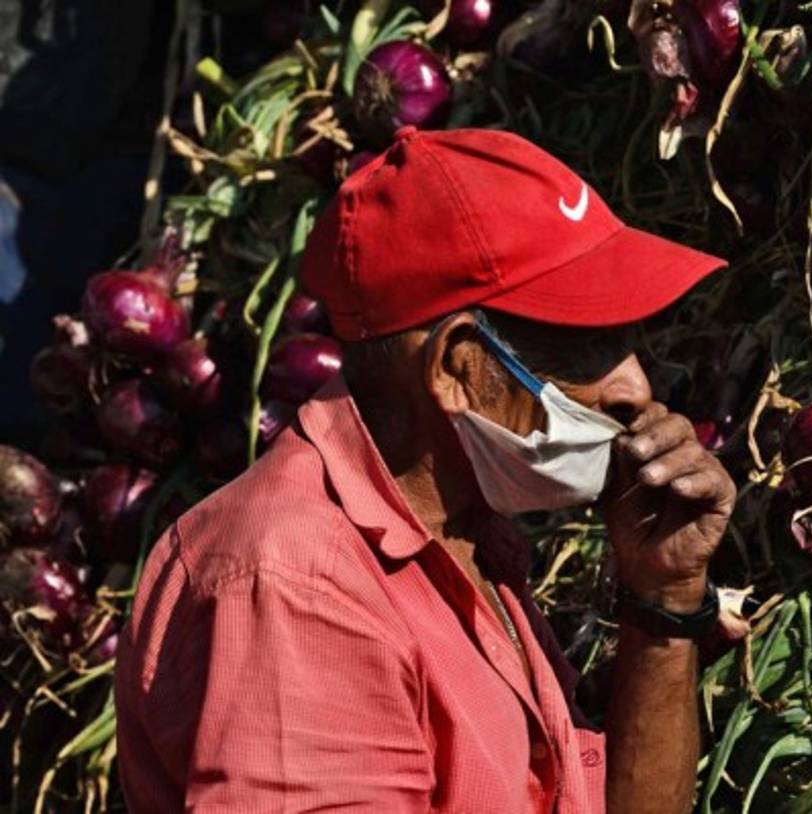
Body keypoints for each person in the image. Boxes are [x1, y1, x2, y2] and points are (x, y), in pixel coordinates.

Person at [114, 125, 736, 813]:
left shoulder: (467, 538)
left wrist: (664, 597)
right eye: (590, 347)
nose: (636, 388)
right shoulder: (297, 585)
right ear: (456, 367)